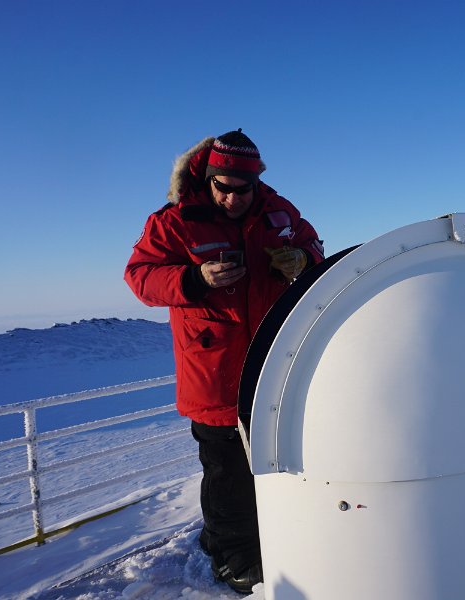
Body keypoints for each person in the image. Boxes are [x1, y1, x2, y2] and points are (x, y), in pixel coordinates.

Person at [124, 129, 324, 594]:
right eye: (223, 187)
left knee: (275, 459)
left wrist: (300, 258)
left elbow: (314, 248)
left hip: (276, 362)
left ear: (256, 183)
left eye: (242, 188)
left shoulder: (280, 212)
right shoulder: (176, 221)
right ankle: (232, 556)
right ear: (209, 179)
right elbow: (140, 277)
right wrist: (194, 278)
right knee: (227, 471)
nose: (233, 198)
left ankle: (259, 537)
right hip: (213, 374)